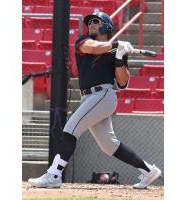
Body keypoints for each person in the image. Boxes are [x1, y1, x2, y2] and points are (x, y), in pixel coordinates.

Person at [28, 11, 161, 189]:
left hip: (103, 95)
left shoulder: (116, 51)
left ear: (107, 26)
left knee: (70, 128)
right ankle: (149, 171)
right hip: (89, 98)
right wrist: (115, 44)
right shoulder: (84, 41)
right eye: (89, 22)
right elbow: (93, 48)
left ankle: (54, 174)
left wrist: (120, 58)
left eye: (96, 21)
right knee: (109, 145)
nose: (90, 24)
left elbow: (122, 83)